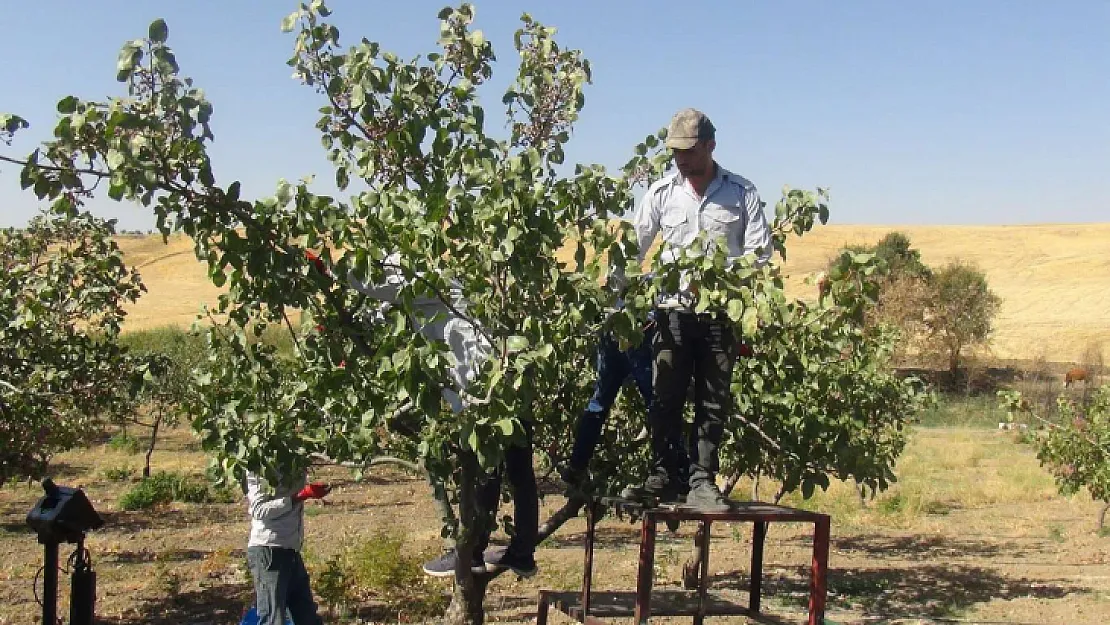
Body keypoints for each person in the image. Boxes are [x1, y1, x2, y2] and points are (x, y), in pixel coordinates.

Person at [346, 257, 538, 579]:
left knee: (484, 473)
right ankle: (521, 553)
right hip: (510, 379)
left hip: (481, 390)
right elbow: (388, 304)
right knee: (519, 473)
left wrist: (336, 271)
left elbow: (384, 286)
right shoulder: (473, 265)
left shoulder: (431, 275)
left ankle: (471, 552)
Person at [620, 107, 772, 512]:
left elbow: (759, 254)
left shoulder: (742, 193)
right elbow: (631, 249)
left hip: (721, 316)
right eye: (674, 152)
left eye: (689, 150)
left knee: (712, 400)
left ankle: (702, 482)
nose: (681, 159)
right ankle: (663, 475)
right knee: (664, 397)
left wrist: (723, 281)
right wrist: (615, 298)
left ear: (710, 146)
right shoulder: (661, 193)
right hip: (671, 313)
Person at [559, 313, 656, 493]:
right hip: (639, 329)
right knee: (657, 403)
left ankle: (576, 466)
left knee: (599, 402)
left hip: (610, 329)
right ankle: (672, 471)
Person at [243, 468, 330, 625]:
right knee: (273, 618)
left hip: (291, 549)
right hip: (269, 551)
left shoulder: (292, 459)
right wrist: (300, 496)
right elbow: (258, 509)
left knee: (306, 616)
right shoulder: (259, 464)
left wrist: (310, 490)